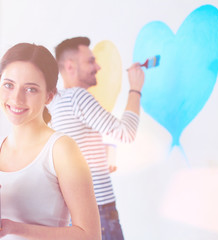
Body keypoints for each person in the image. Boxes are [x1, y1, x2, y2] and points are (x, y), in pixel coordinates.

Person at [0, 43, 101, 240]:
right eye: (8, 85)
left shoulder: (61, 149)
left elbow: (90, 235)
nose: (16, 98)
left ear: (49, 96)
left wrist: (14, 228)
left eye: (31, 89)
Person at [48, 37, 145, 240]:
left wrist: (102, 150)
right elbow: (126, 132)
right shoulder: (78, 97)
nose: (98, 66)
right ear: (70, 66)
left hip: (73, 213)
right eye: (91, 61)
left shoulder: (56, 102)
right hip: (99, 209)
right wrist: (135, 88)